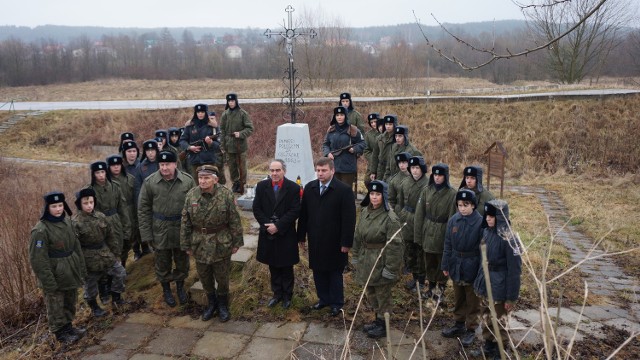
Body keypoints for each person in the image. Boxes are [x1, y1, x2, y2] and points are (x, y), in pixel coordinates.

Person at [181, 165, 243, 321]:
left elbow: (234, 220)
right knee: (205, 277)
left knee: (222, 277)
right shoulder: (191, 195)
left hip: (220, 242)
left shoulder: (226, 195)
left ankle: (223, 305)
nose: (202, 181)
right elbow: (185, 221)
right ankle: (211, 304)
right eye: (201, 178)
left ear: (215, 179)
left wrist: (237, 242)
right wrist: (186, 244)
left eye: (206, 178)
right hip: (199, 243)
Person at [297, 157, 356, 317]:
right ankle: (323, 299)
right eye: (318, 170)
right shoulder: (310, 188)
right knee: (318, 271)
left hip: (335, 241)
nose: (320, 173)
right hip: (315, 239)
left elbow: (349, 219)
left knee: (334, 273)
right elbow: (304, 215)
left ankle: (337, 303)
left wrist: (346, 242)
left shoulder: (343, 190)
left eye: (324, 170)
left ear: (332, 171)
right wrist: (301, 236)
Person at [138, 151, 196, 307]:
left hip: (181, 228)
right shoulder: (150, 182)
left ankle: (180, 287)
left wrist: (193, 231)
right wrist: (146, 235)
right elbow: (143, 209)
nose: (164, 168)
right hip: (160, 229)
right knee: (162, 262)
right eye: (161, 165)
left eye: (167, 164)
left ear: (175, 164)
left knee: (182, 260)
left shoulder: (187, 181)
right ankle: (166, 290)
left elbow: (194, 207)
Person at [29, 191, 86, 344]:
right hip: (54, 274)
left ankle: (68, 328)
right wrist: (48, 282)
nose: (58, 209)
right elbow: (38, 260)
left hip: (70, 270)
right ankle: (60, 333)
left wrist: (81, 268)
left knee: (70, 301)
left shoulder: (67, 222)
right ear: (48, 208)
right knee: (55, 305)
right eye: (54, 206)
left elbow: (76, 246)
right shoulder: (40, 230)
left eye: (60, 205)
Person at [351, 180, 403, 338]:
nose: (374, 197)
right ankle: (378, 320)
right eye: (372, 194)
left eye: (378, 194)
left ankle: (384, 324)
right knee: (371, 291)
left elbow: (396, 246)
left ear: (384, 196)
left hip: (381, 260)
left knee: (383, 294)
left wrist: (390, 269)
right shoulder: (366, 212)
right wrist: (355, 256)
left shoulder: (390, 219)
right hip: (366, 259)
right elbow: (358, 236)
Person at [472, 199, 522, 360]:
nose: (488, 218)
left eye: (492, 216)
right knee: (486, 315)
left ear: (500, 217)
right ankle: (489, 345)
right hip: (486, 281)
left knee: (499, 321)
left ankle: (501, 351)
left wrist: (511, 297)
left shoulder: (510, 239)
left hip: (501, 286)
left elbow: (515, 271)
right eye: (487, 215)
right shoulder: (487, 232)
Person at [252, 159, 301, 309]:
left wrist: (278, 226)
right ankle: (277, 294)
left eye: (277, 170)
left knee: (286, 266)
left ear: (284, 171)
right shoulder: (261, 186)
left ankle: (287, 296)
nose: (274, 173)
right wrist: (268, 225)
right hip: (268, 233)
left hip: (285, 233)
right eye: (272, 170)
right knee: (273, 265)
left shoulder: (293, 187)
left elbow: (295, 210)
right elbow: (257, 208)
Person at [71, 188, 127, 317]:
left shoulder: (101, 216)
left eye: (91, 202)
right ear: (79, 204)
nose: (89, 205)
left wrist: (115, 253)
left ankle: (116, 298)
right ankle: (95, 307)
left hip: (105, 254)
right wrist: (80, 265)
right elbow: (75, 247)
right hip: (89, 259)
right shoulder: (75, 223)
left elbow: (110, 236)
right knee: (90, 286)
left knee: (120, 273)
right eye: (85, 203)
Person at [441, 189, 483, 346]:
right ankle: (458, 323)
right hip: (456, 264)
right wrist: (445, 264)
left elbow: (483, 249)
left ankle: (471, 329)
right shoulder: (453, 220)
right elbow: (447, 244)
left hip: (472, 264)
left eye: (466, 205)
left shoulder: (480, 223)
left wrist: (481, 271)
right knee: (458, 296)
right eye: (460, 205)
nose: (463, 208)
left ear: (473, 205)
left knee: (473, 300)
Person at [84, 161, 130, 304]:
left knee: (118, 253)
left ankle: (116, 288)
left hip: (115, 222)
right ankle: (104, 290)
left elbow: (122, 207)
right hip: (99, 226)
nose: (101, 175)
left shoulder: (115, 187)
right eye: (98, 173)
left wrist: (126, 227)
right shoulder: (90, 190)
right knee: (102, 258)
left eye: (103, 172)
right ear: (93, 174)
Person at [414, 163, 457, 303]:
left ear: (445, 177)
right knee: (429, 259)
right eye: (435, 175)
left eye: (440, 175)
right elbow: (419, 214)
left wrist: (450, 238)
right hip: (428, 229)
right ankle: (431, 286)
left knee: (441, 262)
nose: (438, 178)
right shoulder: (427, 190)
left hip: (443, 230)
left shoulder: (452, 194)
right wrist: (418, 235)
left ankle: (441, 289)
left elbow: (452, 217)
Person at [397, 156, 429, 292]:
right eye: (412, 168)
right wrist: (402, 213)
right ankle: (414, 277)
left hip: (420, 220)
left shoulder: (427, 184)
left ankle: (421, 280)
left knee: (420, 252)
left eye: (417, 168)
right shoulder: (406, 182)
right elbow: (400, 201)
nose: (414, 171)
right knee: (409, 250)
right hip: (407, 219)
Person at [322, 106, 365, 193]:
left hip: (348, 166)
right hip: (334, 165)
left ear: (345, 116)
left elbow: (362, 143)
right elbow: (325, 144)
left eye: (341, 115)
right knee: (334, 191)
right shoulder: (331, 130)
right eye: (337, 115)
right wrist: (328, 153)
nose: (339, 117)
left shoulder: (353, 129)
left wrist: (354, 149)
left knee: (345, 191)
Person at [220, 93, 254, 194]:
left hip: (240, 145)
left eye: (232, 101)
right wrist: (222, 145)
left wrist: (241, 134)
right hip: (229, 144)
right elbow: (222, 131)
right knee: (232, 166)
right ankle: (235, 183)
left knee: (242, 166)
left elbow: (250, 128)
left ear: (236, 101)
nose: (231, 103)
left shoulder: (243, 113)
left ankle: (242, 183)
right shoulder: (225, 114)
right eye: (229, 101)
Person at [106, 154, 136, 266]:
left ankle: (124, 263)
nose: (116, 167)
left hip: (130, 212)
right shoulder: (108, 182)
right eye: (113, 165)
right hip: (116, 215)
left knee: (129, 240)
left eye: (118, 165)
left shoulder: (130, 178)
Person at [179, 104, 220, 181]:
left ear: (206, 113)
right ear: (195, 113)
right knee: (196, 183)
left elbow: (218, 145)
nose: (200, 114)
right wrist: (189, 147)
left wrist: (211, 143)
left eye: (202, 112)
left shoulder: (213, 127)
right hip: (195, 160)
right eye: (198, 112)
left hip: (209, 160)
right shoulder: (190, 126)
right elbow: (182, 140)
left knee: (210, 182)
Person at [370, 114, 397, 182]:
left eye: (390, 124)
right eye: (386, 124)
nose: (388, 126)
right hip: (380, 169)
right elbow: (375, 155)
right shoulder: (380, 138)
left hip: (391, 169)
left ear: (394, 124)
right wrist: (373, 171)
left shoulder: (397, 138)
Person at [208, 111, 227, 185]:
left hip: (218, 155)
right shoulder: (205, 129)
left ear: (215, 118)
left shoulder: (218, 129)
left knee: (220, 175)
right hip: (208, 156)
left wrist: (212, 143)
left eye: (212, 118)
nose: (211, 120)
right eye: (209, 119)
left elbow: (221, 144)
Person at [363, 113, 380, 188]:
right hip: (372, 162)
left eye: (375, 122)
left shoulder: (383, 132)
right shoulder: (368, 135)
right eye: (371, 122)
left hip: (383, 162)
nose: (373, 124)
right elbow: (366, 150)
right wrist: (373, 158)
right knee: (367, 181)